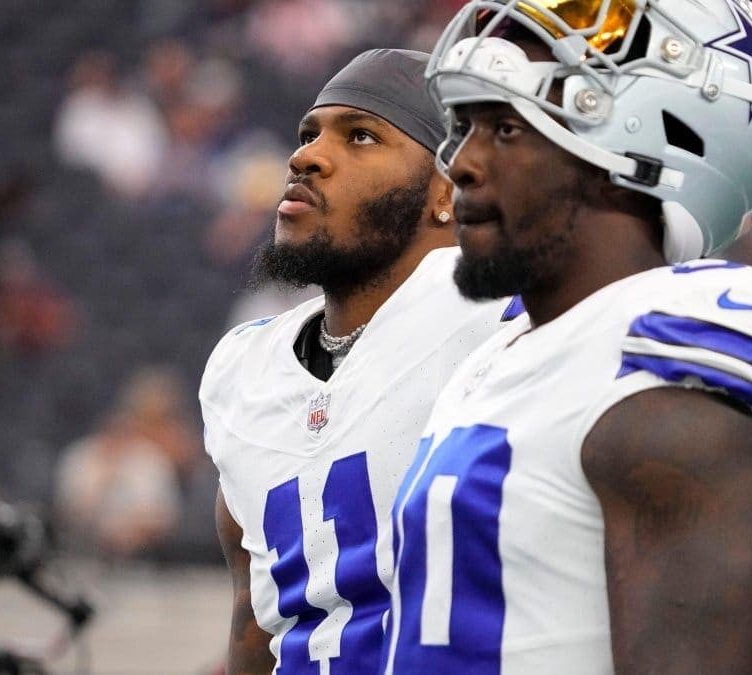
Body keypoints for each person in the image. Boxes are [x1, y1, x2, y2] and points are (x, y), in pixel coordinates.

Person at [384, 2, 752, 674]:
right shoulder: (508, 353)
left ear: (633, 150)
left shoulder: (666, 360)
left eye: (507, 127)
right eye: (467, 125)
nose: (463, 164)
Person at [199, 49, 510, 674]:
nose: (305, 156)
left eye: (360, 136)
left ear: (447, 190)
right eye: (308, 133)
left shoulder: (510, 326)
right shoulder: (245, 368)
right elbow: (256, 622)